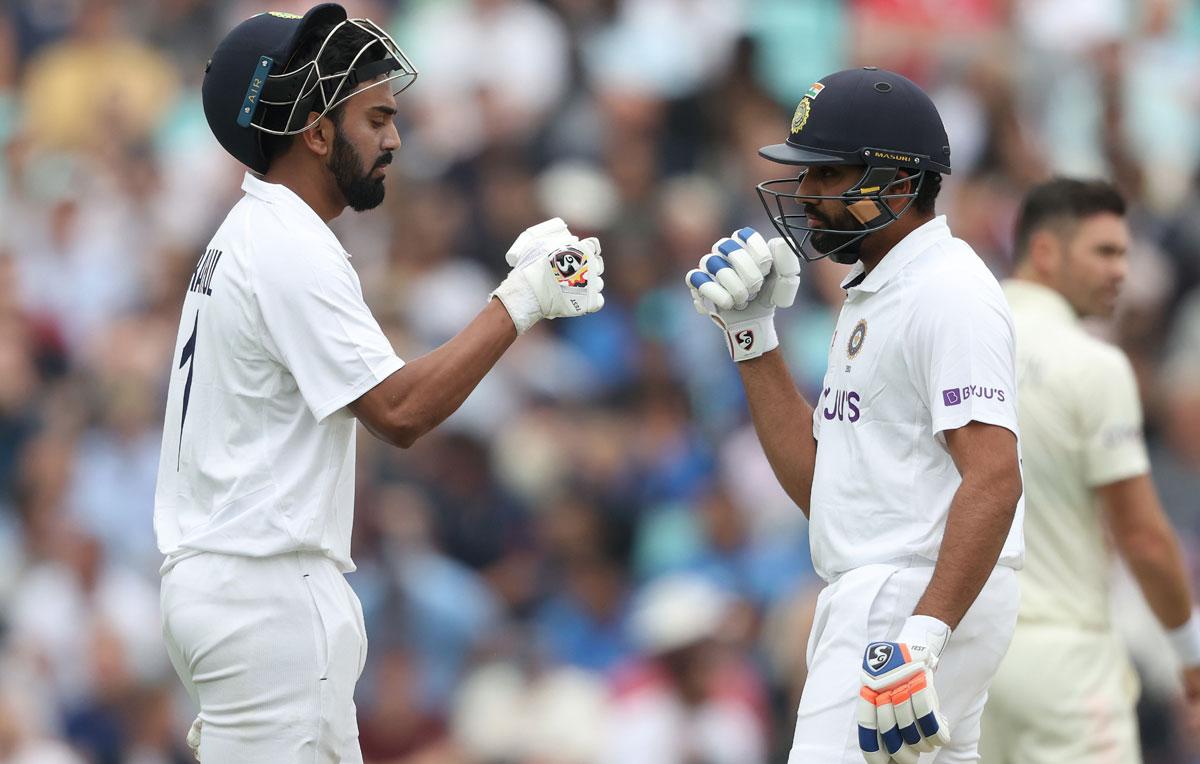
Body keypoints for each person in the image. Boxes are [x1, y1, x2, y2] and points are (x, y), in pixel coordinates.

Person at [152, 5, 605, 762]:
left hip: (236, 589)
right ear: (317, 130)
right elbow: (398, 411)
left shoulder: (255, 232)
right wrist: (525, 297)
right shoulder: (288, 243)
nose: (395, 137)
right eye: (378, 117)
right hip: (265, 597)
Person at [684, 66, 1024, 763]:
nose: (804, 196)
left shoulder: (947, 291)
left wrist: (923, 632)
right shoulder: (882, 286)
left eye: (827, 175)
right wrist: (752, 336)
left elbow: (995, 476)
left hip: (904, 598)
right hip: (901, 591)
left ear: (898, 185)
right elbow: (828, 491)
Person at [979, 178, 1200, 762]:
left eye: (1125, 253)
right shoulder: (1095, 365)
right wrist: (1191, 652)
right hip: (1061, 661)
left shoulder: (953, 343)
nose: (1121, 271)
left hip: (960, 659)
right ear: (1046, 251)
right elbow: (1143, 537)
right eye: (1105, 251)